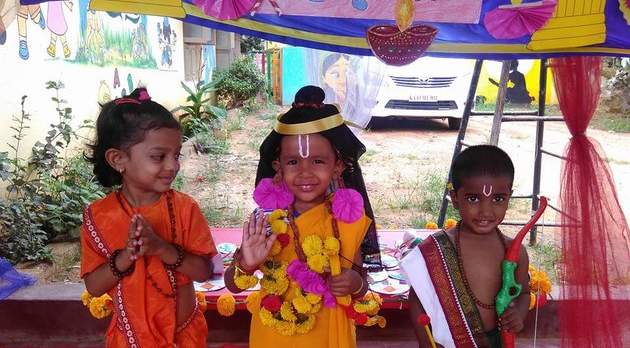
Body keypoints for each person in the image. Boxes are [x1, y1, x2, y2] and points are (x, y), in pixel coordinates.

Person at [224, 85, 378, 347]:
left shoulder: (348, 221)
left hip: (329, 335)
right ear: (278, 168)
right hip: (273, 335)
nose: (305, 172)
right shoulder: (266, 220)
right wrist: (246, 265)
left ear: (337, 168)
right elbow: (234, 285)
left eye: (318, 161)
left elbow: (361, 288)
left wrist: (355, 284)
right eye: (293, 162)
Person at [81, 87, 217, 348]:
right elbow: (94, 287)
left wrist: (160, 248)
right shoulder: (99, 216)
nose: (173, 166)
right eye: (159, 157)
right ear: (118, 159)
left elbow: (202, 272)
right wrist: (125, 256)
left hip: (183, 336)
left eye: (176, 155)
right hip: (129, 338)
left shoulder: (185, 208)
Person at [400, 145, 531, 348]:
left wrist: (518, 315)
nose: (485, 211)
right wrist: (426, 342)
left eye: (498, 199)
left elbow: (523, 293)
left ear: (508, 198)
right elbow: (418, 299)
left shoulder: (514, 253)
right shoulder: (436, 249)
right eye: (473, 198)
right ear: (455, 199)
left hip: (496, 342)